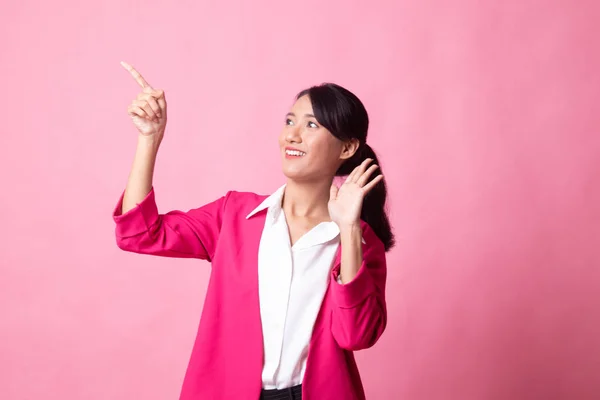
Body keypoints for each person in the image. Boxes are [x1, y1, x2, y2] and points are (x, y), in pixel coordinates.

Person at [113, 61, 395, 400]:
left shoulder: (361, 242)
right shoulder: (234, 215)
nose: (292, 134)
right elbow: (138, 233)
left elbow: (356, 336)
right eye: (290, 121)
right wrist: (150, 138)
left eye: (311, 125)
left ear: (347, 148)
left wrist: (348, 230)